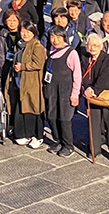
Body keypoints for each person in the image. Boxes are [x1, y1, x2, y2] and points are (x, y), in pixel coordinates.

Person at [81, 33, 109, 163]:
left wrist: (93, 90)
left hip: (105, 94)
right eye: (90, 45)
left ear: (101, 46)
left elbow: (104, 77)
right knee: (93, 123)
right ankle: (94, 149)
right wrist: (86, 89)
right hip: (90, 95)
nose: (92, 48)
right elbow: (83, 74)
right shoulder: (84, 57)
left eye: (95, 45)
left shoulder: (108, 59)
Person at [44, 26, 81, 157]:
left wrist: (75, 94)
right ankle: (58, 140)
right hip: (52, 90)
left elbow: (77, 75)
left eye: (58, 37)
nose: (55, 40)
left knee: (64, 119)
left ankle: (68, 145)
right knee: (52, 117)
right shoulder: (51, 51)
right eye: (52, 37)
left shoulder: (71, 53)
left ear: (64, 37)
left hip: (65, 91)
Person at [10, 22, 46, 149]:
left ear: (34, 33)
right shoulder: (21, 45)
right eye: (23, 31)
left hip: (32, 82)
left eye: (28, 32)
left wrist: (23, 67)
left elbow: (38, 64)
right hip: (21, 81)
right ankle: (25, 134)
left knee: (34, 108)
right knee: (23, 107)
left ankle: (38, 135)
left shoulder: (37, 46)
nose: (25, 34)